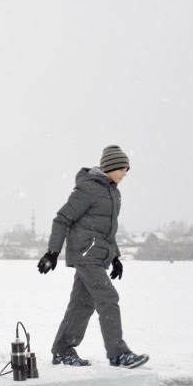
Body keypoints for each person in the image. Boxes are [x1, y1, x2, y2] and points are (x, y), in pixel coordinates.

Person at [37, 145, 148, 368]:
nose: (125, 174)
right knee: (108, 298)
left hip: (98, 255)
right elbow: (62, 219)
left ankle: (63, 350)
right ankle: (118, 353)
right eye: (123, 169)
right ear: (111, 167)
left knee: (82, 304)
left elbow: (107, 231)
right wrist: (52, 252)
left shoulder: (113, 192)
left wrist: (115, 257)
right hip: (85, 254)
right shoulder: (88, 188)